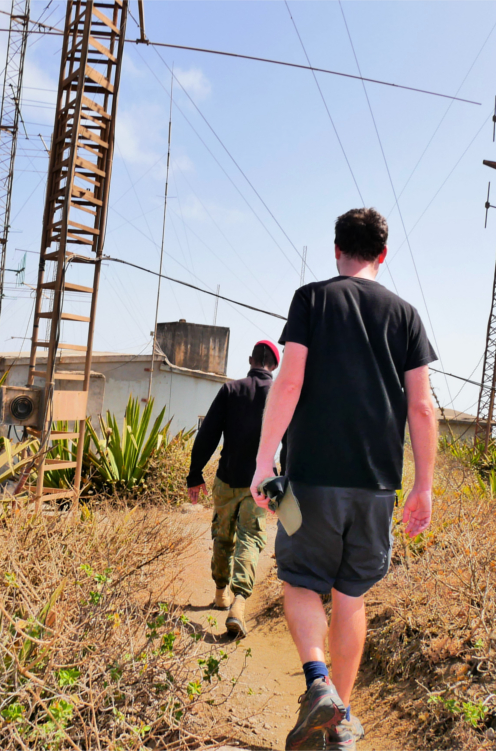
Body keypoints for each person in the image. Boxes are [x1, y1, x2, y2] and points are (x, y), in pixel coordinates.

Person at [251, 208, 438, 750]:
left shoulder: (313, 298)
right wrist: (422, 486)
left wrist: (266, 462)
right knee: (351, 598)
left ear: (336, 249)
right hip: (378, 484)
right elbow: (422, 408)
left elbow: (288, 383)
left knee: (300, 582)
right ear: (383, 254)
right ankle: (342, 729)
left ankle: (318, 686)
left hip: (312, 477)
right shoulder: (406, 316)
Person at [187, 340, 284, 638]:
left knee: (223, 534)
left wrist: (195, 474)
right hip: (261, 483)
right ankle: (239, 604)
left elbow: (208, 434)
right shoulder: (280, 395)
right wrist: (288, 479)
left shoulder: (230, 390)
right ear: (275, 366)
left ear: (251, 359)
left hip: (227, 479)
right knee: (251, 540)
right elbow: (293, 440)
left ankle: (220, 592)